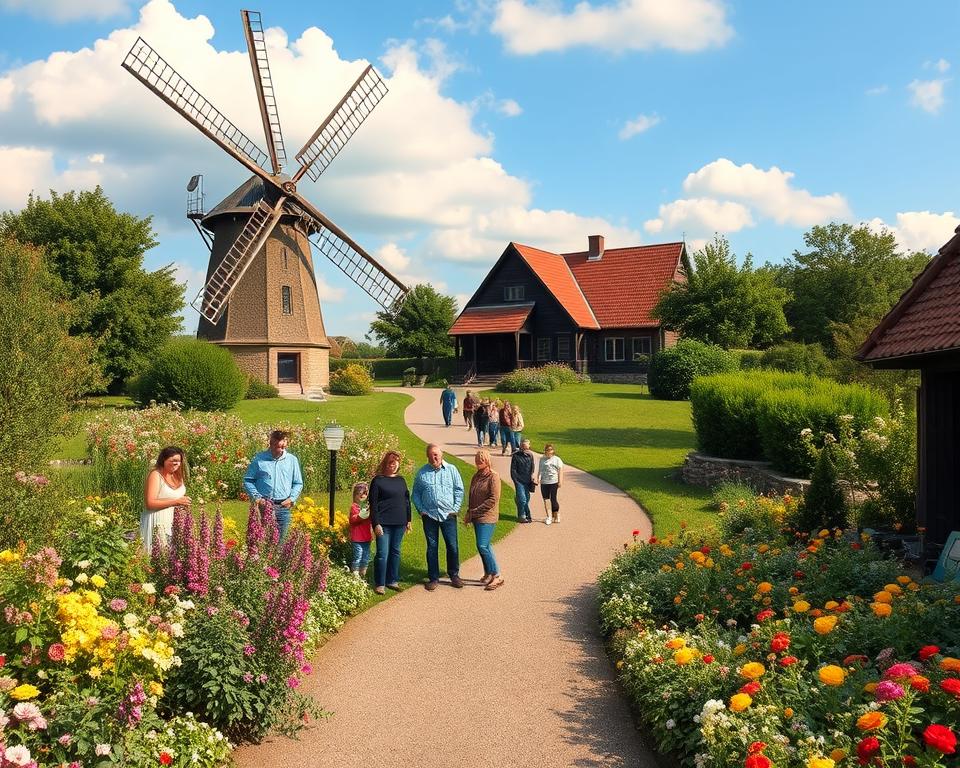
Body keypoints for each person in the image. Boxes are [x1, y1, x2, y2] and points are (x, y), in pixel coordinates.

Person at [412, 443, 465, 591]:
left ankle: (454, 575)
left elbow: (459, 490)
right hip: (429, 515)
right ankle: (433, 578)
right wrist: (421, 510)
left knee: (452, 546)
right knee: (432, 547)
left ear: (442, 455)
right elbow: (415, 493)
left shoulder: (452, 470)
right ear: (427, 456)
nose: (434, 457)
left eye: (436, 454)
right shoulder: (422, 473)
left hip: (448, 514)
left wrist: (455, 508)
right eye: (431, 454)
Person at [243, 429, 303, 541]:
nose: (281, 448)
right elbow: (248, 480)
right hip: (264, 506)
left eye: (284, 445)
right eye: (279, 445)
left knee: (279, 544)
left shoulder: (292, 460)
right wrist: (257, 498)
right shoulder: (259, 459)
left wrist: (292, 499)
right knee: (261, 541)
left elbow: (298, 483)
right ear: (271, 443)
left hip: (283, 507)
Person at [369, 450, 412, 595]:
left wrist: (408, 520)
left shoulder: (401, 480)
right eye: (391, 463)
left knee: (395, 552)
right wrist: (375, 524)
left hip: (399, 522)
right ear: (386, 464)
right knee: (382, 553)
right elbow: (373, 504)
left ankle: (392, 580)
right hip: (383, 523)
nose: (393, 465)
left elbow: (407, 501)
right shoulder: (378, 480)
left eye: (396, 463)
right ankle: (380, 583)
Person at [463, 450, 504, 590]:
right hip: (476, 516)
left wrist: (476, 511)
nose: (478, 463)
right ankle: (488, 573)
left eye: (481, 460)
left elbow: (493, 499)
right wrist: (470, 513)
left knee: (482, 545)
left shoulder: (493, 477)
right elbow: (472, 495)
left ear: (487, 461)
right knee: (484, 546)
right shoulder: (476, 476)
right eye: (477, 460)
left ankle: (497, 575)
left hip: (487, 516)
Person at [142, 446, 191, 555]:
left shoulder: (177, 475)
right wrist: (176, 502)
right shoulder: (155, 475)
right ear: (163, 460)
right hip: (157, 521)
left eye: (178, 461)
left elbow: (177, 496)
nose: (176, 464)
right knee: (158, 555)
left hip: (175, 521)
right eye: (173, 461)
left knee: (174, 556)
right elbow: (149, 503)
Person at [348, 482, 373, 579]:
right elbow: (352, 519)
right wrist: (360, 516)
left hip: (366, 536)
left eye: (365, 494)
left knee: (366, 556)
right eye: (360, 493)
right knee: (358, 555)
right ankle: (355, 573)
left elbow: (371, 519)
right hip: (357, 537)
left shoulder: (367, 507)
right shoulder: (354, 507)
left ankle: (363, 573)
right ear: (355, 495)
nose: (362, 496)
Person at [510, 438, 536, 524]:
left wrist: (532, 477)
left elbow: (532, 468)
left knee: (526, 498)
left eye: (526, 445)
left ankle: (523, 513)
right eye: (523, 445)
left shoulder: (531, 456)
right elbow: (513, 470)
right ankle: (523, 516)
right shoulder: (516, 456)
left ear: (529, 446)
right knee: (523, 499)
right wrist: (516, 480)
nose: (524, 447)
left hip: (527, 480)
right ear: (521, 446)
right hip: (519, 480)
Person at [538, 443, 564, 525]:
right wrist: (538, 478)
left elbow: (560, 471)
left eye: (550, 450)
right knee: (546, 499)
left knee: (553, 499)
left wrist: (560, 481)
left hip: (553, 481)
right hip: (544, 482)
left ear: (553, 451)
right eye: (547, 450)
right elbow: (540, 470)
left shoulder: (557, 459)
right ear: (545, 451)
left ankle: (556, 514)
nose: (549, 452)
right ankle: (549, 517)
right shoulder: (542, 459)